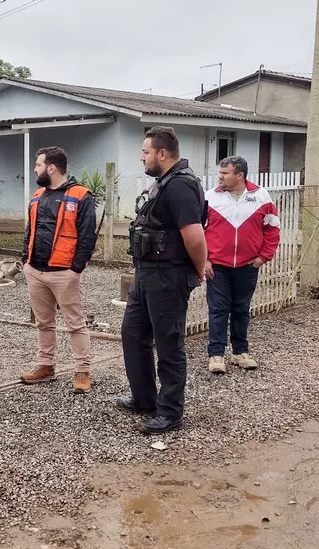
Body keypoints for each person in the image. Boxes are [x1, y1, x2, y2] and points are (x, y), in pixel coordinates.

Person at [117, 126, 208, 434]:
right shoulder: (163, 182)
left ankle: (169, 412)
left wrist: (199, 268)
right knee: (132, 335)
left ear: (162, 153)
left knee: (169, 344)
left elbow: (194, 237)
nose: (142, 157)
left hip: (168, 275)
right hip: (146, 274)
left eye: (145, 152)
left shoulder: (180, 185)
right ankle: (144, 398)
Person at [19, 146, 98, 393]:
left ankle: (82, 371)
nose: (35, 169)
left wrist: (76, 269)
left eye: (38, 165)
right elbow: (29, 230)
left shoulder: (81, 196)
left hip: (65, 273)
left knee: (75, 323)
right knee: (44, 322)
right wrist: (26, 262)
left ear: (51, 168)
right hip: (36, 270)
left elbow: (88, 237)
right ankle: (46, 366)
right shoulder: (37, 195)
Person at [203, 156, 280, 374]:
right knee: (218, 309)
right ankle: (216, 355)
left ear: (240, 175)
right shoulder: (209, 197)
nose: (220, 176)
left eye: (225, 173)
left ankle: (240, 352)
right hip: (218, 266)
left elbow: (273, 229)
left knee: (241, 309)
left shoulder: (261, 197)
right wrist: (205, 259)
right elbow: (198, 231)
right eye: (220, 172)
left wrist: (263, 257)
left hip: (248, 266)